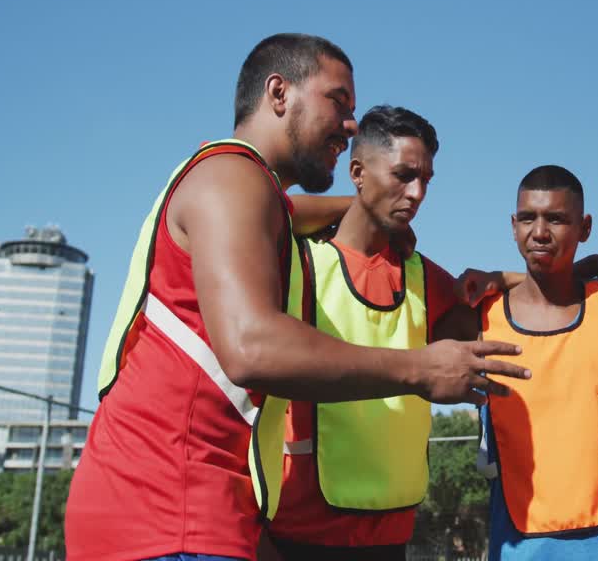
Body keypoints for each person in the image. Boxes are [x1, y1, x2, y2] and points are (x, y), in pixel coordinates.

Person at [65, 34, 528, 561]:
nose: (351, 124)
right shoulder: (232, 180)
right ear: (279, 93)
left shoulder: (245, 190)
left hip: (183, 509)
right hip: (169, 513)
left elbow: (291, 212)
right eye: (339, 101)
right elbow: (251, 347)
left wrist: (368, 209)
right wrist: (418, 369)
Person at [267, 105, 489, 561]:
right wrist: (353, 206)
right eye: (405, 175)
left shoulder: (426, 277)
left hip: (391, 535)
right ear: (357, 172)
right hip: (296, 533)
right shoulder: (299, 261)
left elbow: (505, 304)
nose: (418, 193)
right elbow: (262, 210)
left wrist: (503, 276)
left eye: (426, 179)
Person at [479, 165, 598, 561]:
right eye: (528, 218)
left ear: (584, 227)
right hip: (521, 544)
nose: (539, 231)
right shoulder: (480, 316)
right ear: (513, 225)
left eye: (556, 218)